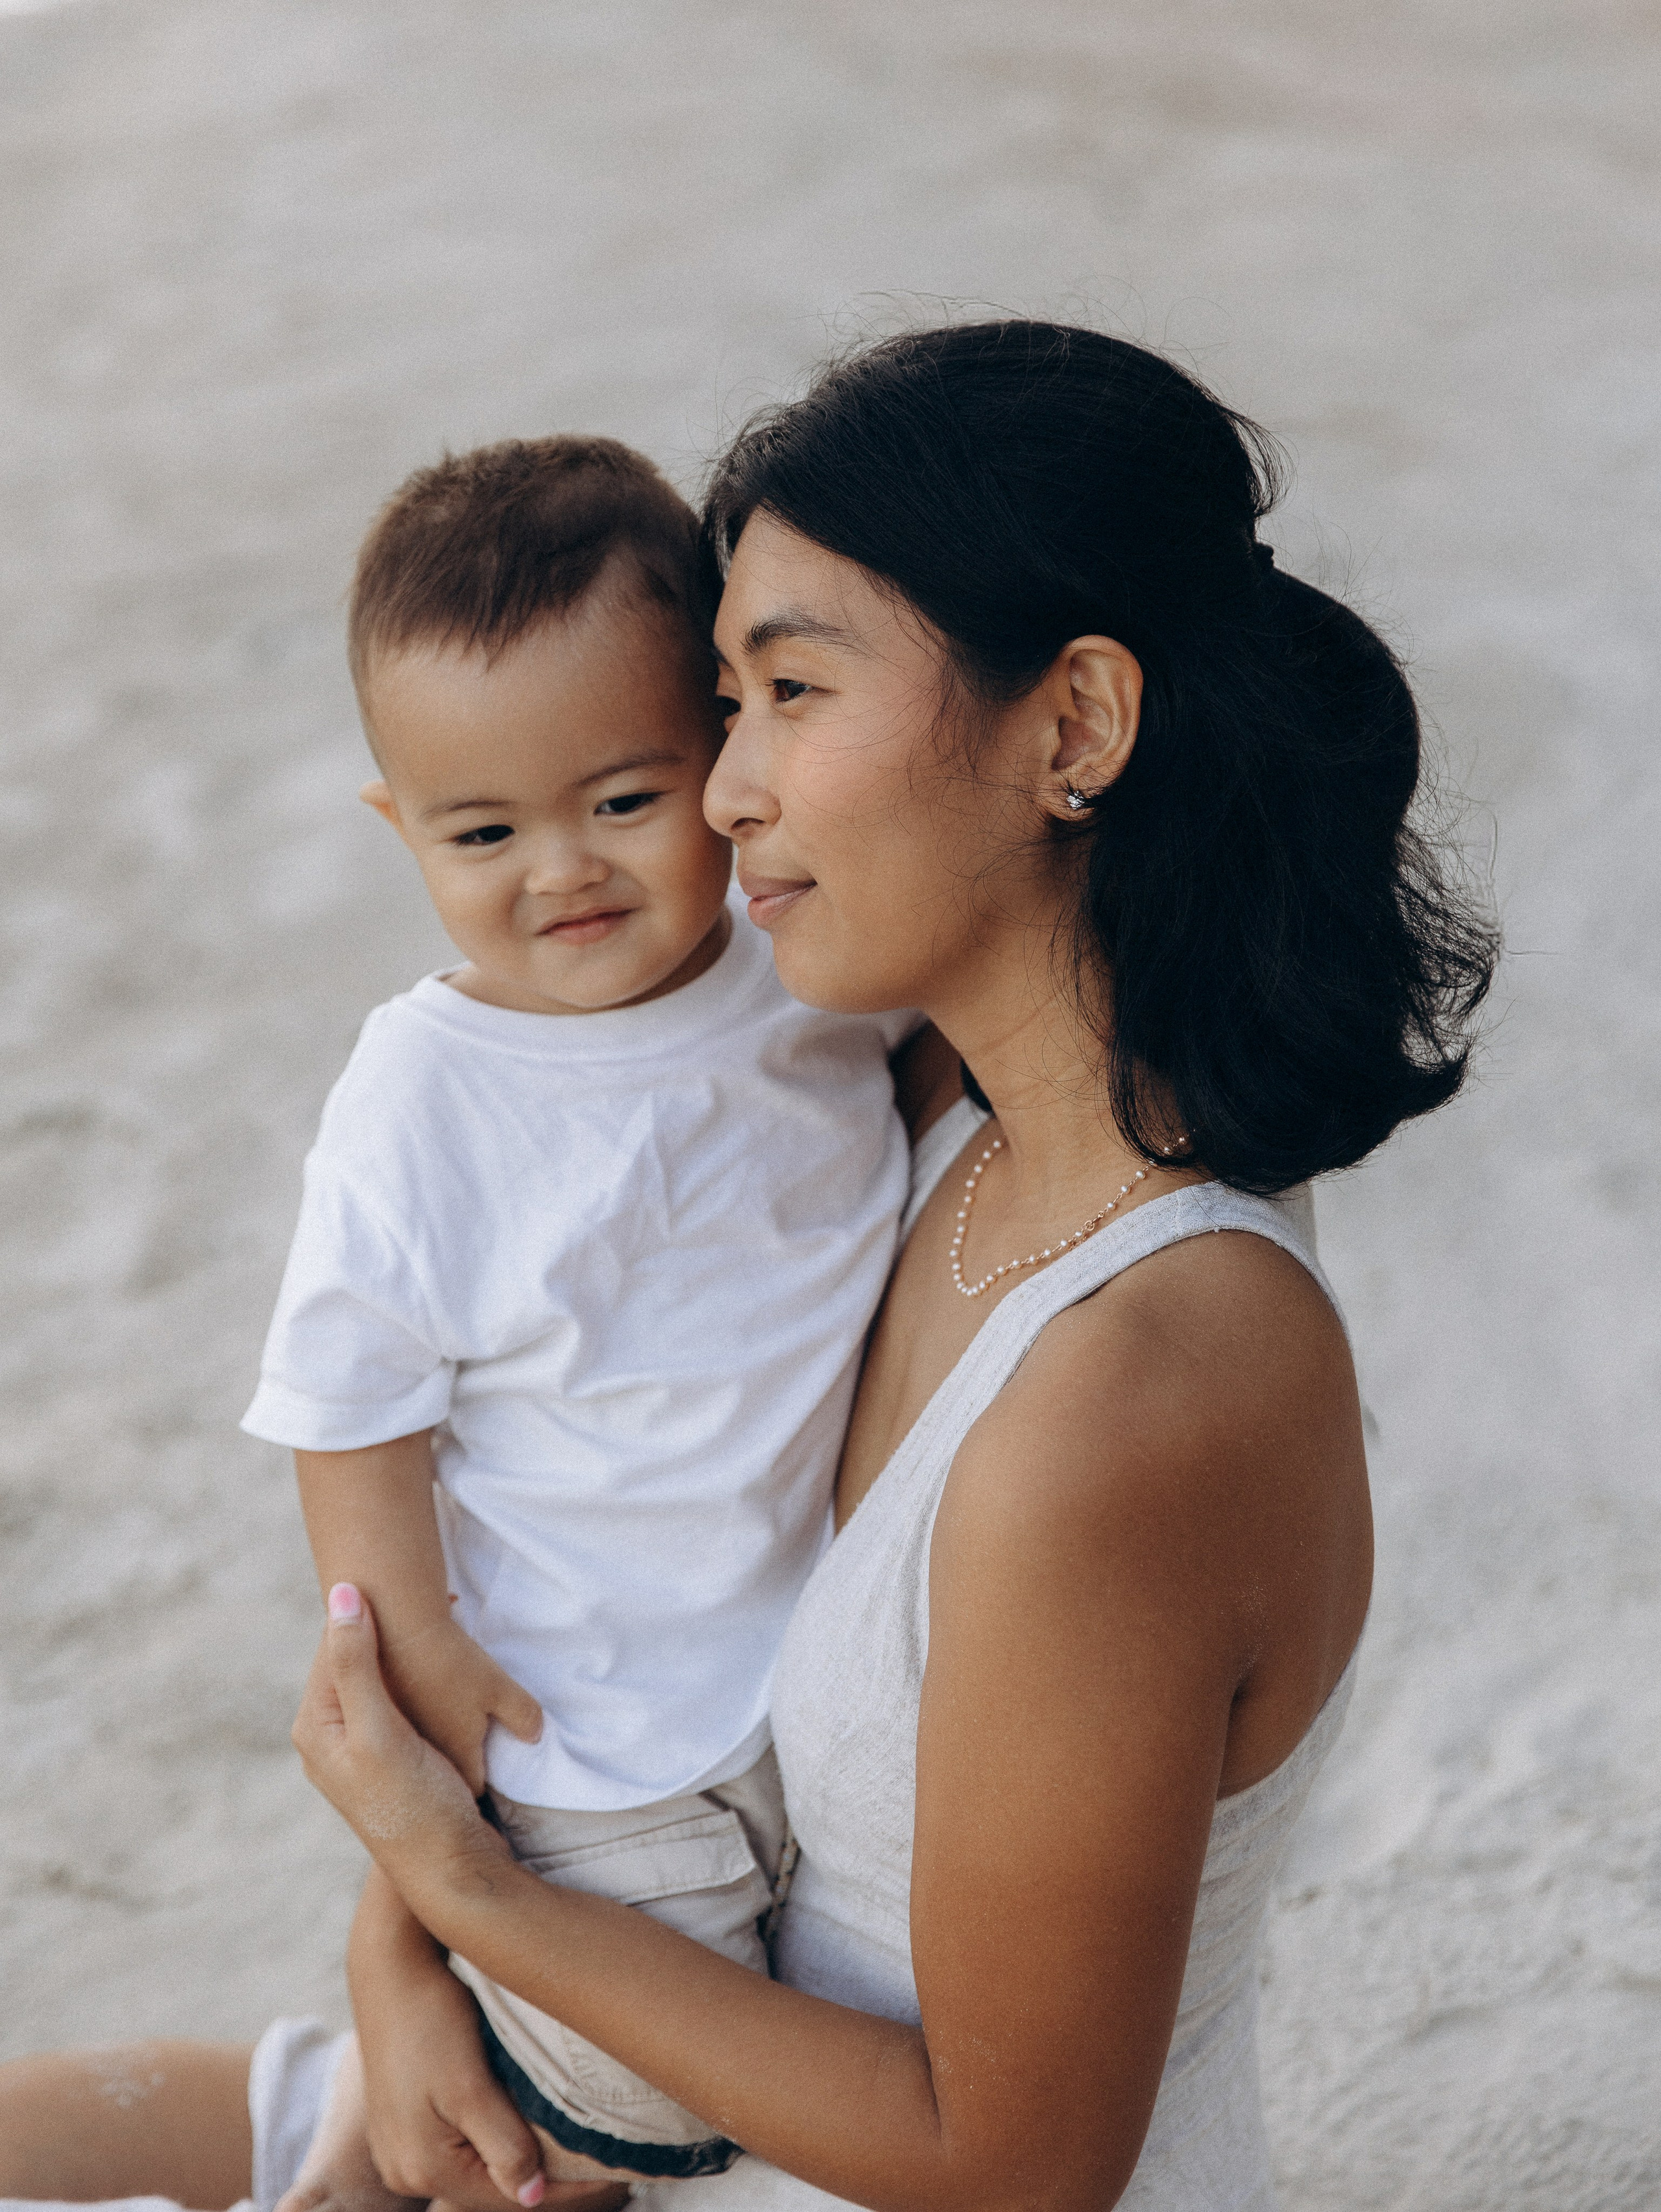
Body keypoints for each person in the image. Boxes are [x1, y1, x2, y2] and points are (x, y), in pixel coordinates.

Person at [0, 322, 1496, 2212]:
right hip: (617, 2054)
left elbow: (1015, 2162)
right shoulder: (927, 1102)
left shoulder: (1143, 1386)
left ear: (1078, 728)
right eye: (723, 703)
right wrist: (405, 1955)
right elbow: (619, 1529)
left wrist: (462, 1893)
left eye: (790, 691)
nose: (719, 791)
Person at [252, 435, 919, 2191]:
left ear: (722, 757)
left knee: (783, 2043)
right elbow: (352, 1404)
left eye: (624, 800)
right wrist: (413, 1655)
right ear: (403, 826)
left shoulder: (809, 979)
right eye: (483, 832)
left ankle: (356, 2100)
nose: (563, 870)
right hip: (585, 1725)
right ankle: (365, 2138)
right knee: (632, 2121)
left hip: (805, 1668)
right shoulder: (426, 1093)